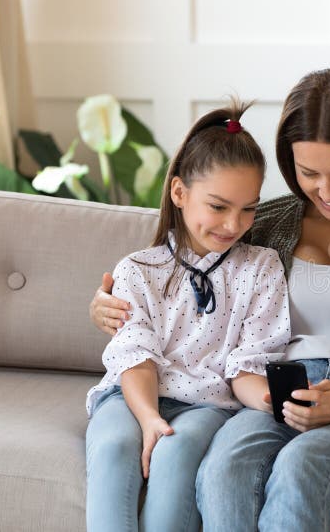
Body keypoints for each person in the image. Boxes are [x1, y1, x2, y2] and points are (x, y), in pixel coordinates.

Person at [89, 68, 330, 531]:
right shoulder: (257, 221)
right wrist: (105, 303)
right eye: (309, 173)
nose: (326, 191)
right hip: (277, 389)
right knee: (225, 469)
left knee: (297, 467)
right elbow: (177, 266)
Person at [84, 99, 291, 532]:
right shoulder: (138, 270)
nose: (234, 224)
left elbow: (247, 364)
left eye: (249, 208)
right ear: (180, 193)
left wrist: (274, 401)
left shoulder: (261, 267)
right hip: (131, 395)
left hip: (207, 404)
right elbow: (135, 356)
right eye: (218, 207)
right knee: (112, 448)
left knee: (176, 454)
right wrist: (148, 419)